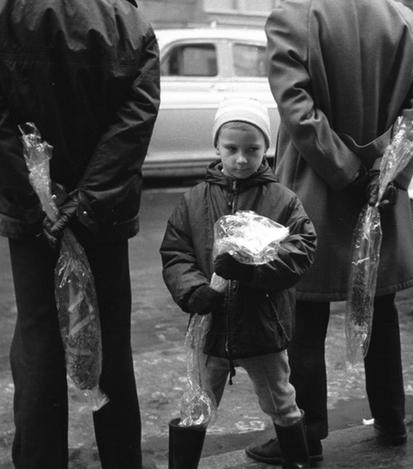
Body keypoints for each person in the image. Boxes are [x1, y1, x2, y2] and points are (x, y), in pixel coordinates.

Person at [245, 0, 413, 465]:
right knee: (381, 306)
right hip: (381, 193)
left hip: (315, 189)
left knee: (305, 320)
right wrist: (385, 171)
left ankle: (306, 436)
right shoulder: (402, 17)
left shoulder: (292, 13)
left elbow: (297, 108)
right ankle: (392, 422)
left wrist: (347, 170)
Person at [0, 0, 160, 467]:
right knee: (111, 344)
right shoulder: (129, 23)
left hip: (32, 218)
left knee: (39, 342)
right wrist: (85, 202)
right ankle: (121, 459)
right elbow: (133, 124)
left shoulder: (10, 13)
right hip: (103, 214)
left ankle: (39, 459)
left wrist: (42, 201)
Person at [160, 97, 317, 469]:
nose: (242, 159)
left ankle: (297, 459)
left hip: (263, 328)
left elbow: (302, 249)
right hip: (210, 328)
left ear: (267, 148)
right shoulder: (194, 201)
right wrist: (193, 290)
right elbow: (176, 252)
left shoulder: (282, 200)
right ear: (217, 146)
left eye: (253, 149)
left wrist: (251, 270)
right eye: (232, 149)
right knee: (196, 403)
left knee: (281, 398)